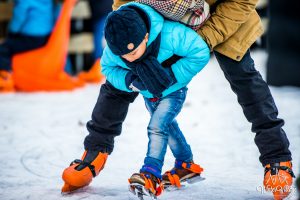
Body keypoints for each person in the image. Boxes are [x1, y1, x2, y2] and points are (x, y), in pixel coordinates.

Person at [62, 0, 295, 199]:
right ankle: (95, 151)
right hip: (149, 18)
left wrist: (203, 40)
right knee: (123, 77)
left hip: (221, 17)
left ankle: (277, 158)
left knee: (245, 79)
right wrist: (129, 25)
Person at [62, 2, 210, 196]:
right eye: (123, 56)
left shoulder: (169, 35)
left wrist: (171, 77)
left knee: (156, 127)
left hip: (173, 91)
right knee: (168, 126)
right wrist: (130, 81)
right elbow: (107, 68)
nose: (129, 59)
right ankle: (186, 164)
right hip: (150, 94)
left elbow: (200, 52)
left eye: (132, 53)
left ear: (146, 37)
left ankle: (150, 172)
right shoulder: (116, 52)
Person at [0, 0, 55, 92]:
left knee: (4, 49)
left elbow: (19, 16)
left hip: (31, 37)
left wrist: (12, 31)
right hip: (45, 36)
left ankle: (5, 76)